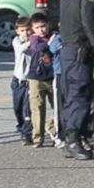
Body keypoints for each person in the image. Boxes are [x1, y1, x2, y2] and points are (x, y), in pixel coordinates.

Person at [58, 0, 94, 160]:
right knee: (81, 94)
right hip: (80, 50)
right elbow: (90, 21)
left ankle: (69, 137)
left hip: (67, 49)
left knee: (69, 95)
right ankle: (74, 138)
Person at [26, 13, 56, 147]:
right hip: (36, 78)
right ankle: (38, 137)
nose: (41, 30)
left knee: (58, 106)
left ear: (48, 25)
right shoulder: (34, 39)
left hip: (53, 76)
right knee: (37, 107)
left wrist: (53, 41)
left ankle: (52, 127)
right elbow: (38, 48)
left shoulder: (55, 36)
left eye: (43, 26)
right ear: (33, 29)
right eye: (37, 27)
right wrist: (50, 43)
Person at [10, 16, 33, 145]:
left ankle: (27, 133)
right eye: (22, 30)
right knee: (17, 108)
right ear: (17, 31)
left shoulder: (35, 43)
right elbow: (21, 49)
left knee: (27, 109)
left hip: (29, 81)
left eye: (28, 30)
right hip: (18, 81)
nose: (26, 33)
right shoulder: (16, 41)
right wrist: (32, 41)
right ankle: (21, 126)